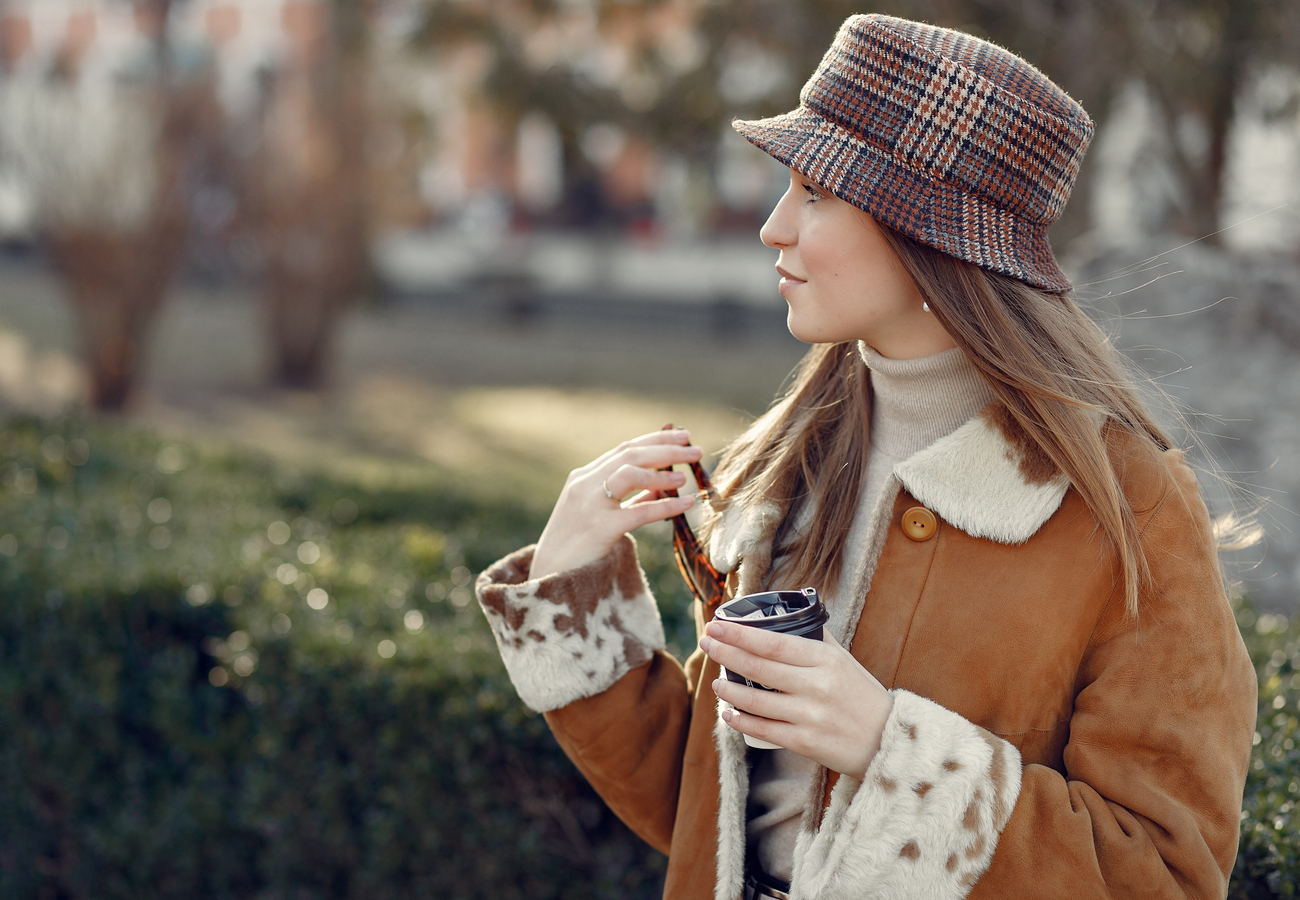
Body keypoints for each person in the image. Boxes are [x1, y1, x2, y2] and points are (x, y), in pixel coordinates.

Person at [475, 14, 1258, 900]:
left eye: (815, 192)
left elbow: (1163, 875)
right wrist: (573, 589)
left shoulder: (1127, 509)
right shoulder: (798, 461)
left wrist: (890, 750)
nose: (774, 227)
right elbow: (715, 814)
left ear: (926, 232)